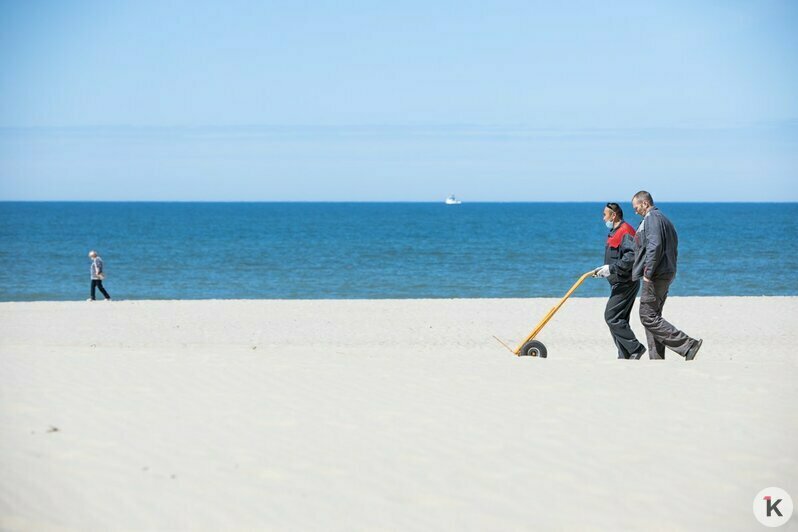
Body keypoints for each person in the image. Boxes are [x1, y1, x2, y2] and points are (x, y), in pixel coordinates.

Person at [630, 191, 702, 360]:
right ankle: (656, 359)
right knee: (653, 317)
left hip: (656, 274)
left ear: (645, 203)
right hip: (665, 272)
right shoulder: (664, 219)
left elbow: (655, 245)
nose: (635, 211)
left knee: (647, 316)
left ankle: (688, 345)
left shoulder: (652, 218)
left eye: (636, 207)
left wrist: (648, 272)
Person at [592, 202, 646, 359]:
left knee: (611, 317)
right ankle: (624, 354)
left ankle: (636, 348)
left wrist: (611, 269)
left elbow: (631, 256)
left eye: (605, 215)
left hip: (626, 282)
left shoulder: (625, 231)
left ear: (613, 215)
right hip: (616, 281)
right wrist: (603, 271)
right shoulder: (614, 232)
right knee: (620, 320)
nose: (603, 218)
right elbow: (613, 258)